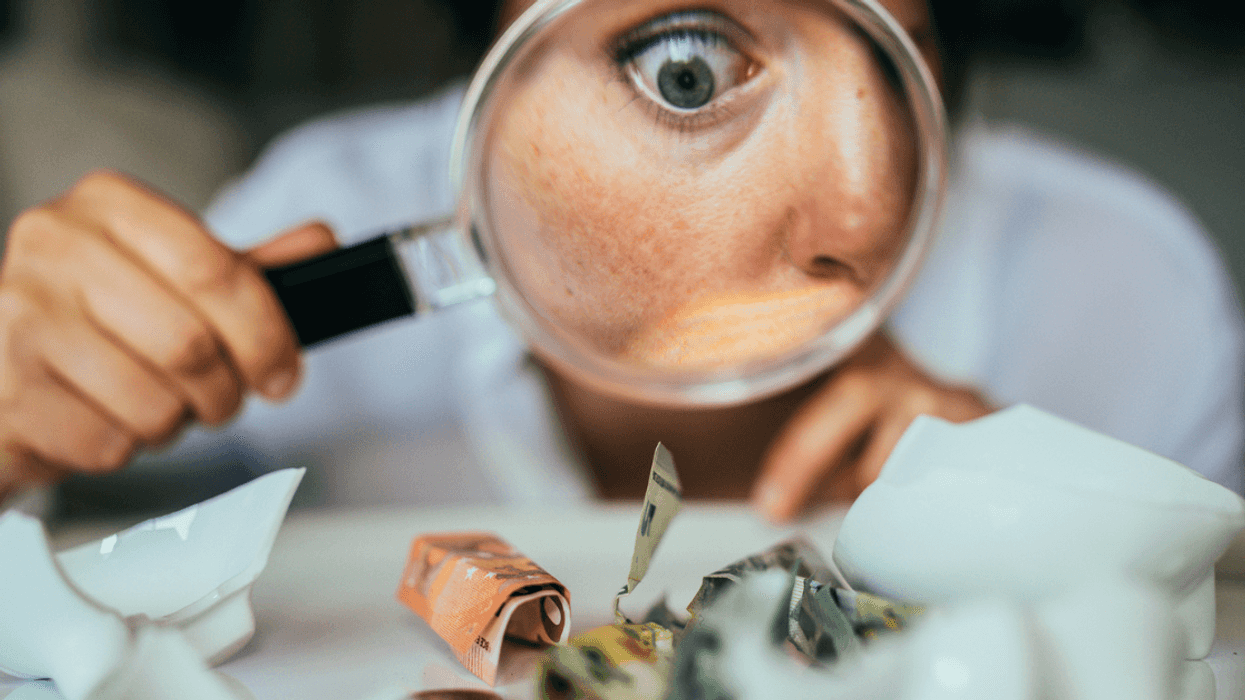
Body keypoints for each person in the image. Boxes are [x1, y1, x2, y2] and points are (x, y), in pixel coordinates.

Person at [0, 0, 1240, 519]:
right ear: (488, 57)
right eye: (685, 71)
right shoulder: (324, 210)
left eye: (896, 53)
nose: (863, 214)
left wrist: (1105, 539)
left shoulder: (1123, 294)